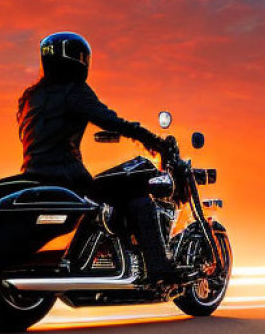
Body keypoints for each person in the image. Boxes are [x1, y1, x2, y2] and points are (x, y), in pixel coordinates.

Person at [16, 31, 186, 284]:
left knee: (115, 196)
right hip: (68, 176)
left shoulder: (30, 97)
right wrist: (154, 141)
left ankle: (116, 254)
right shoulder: (73, 91)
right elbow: (110, 120)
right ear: (77, 60)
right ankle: (160, 269)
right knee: (138, 198)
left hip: (33, 175)